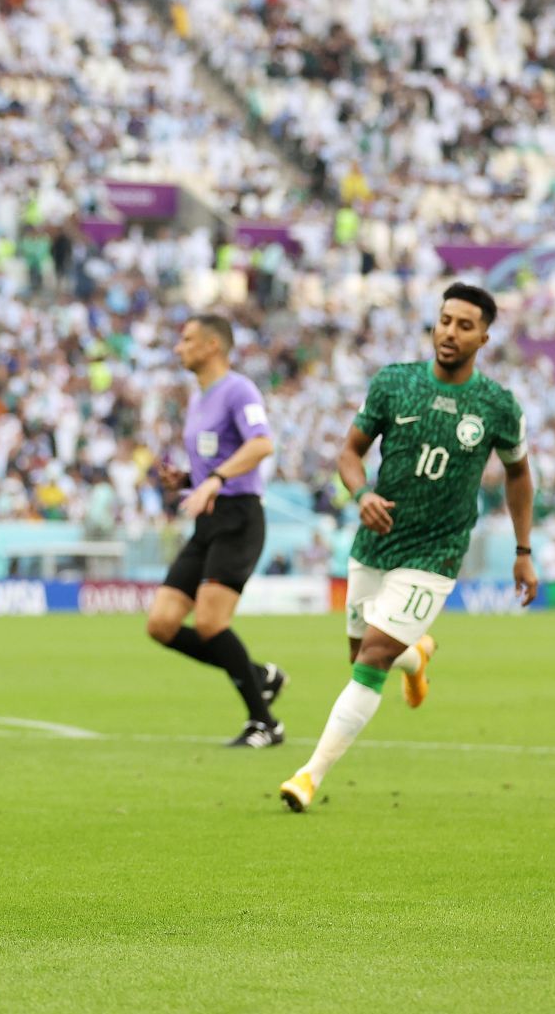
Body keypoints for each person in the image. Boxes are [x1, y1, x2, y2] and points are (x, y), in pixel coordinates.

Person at [281, 283, 532, 811]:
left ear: (484, 337)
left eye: (465, 326)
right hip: (375, 542)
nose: (450, 332)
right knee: (360, 656)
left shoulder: (497, 406)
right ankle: (415, 657)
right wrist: (362, 492)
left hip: (436, 553)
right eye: (445, 320)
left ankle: (309, 775)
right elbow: (349, 453)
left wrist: (523, 549)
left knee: (370, 659)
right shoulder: (394, 384)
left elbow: (519, 475)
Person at [144, 314, 289, 748]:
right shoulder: (199, 397)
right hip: (208, 519)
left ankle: (265, 724)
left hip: (239, 516)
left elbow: (262, 443)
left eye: (186, 339)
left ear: (212, 345)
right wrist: (190, 479)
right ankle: (259, 674)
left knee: (210, 623)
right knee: (162, 624)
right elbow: (214, 461)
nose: (178, 347)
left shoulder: (239, 389)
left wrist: (215, 480)